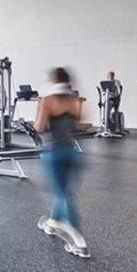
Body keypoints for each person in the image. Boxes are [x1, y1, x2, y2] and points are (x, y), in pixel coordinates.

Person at [34, 67, 90, 258]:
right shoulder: (74, 100)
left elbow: (39, 127)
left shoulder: (48, 100)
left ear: (54, 81)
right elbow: (78, 124)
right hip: (72, 153)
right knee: (62, 190)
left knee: (62, 194)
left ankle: (79, 241)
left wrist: (40, 106)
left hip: (55, 153)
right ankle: (52, 222)